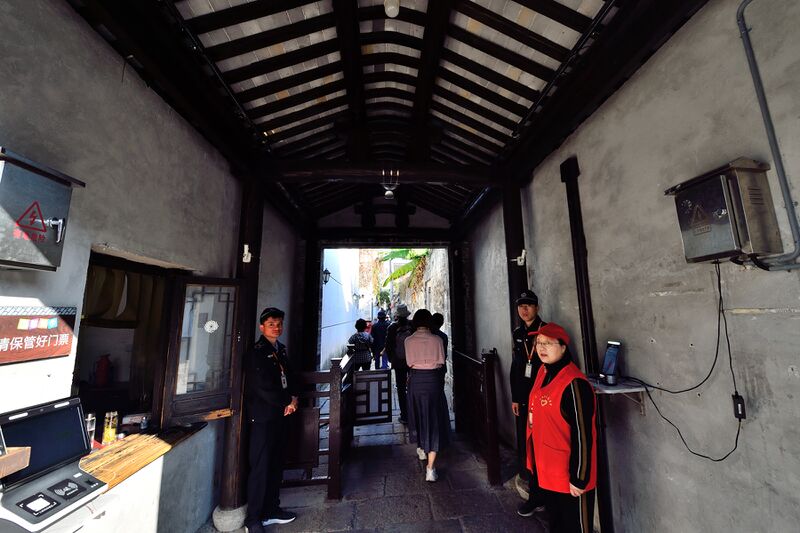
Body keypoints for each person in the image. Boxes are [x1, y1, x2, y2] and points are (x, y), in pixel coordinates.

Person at [525, 323, 597, 533]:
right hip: (548, 470)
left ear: (564, 347)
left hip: (569, 476)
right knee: (556, 525)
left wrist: (579, 478)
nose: (541, 347)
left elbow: (583, 434)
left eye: (548, 343)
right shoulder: (543, 370)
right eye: (539, 342)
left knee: (575, 527)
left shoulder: (574, 384)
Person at [243, 307, 298, 533]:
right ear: (262, 327)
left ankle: (271, 509)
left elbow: (290, 376)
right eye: (271, 324)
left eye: (279, 324)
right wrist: (287, 401)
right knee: (260, 467)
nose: (276, 328)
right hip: (263, 417)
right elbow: (262, 386)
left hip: (280, 415)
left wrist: (294, 398)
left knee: (276, 463)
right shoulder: (257, 353)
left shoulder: (280, 349)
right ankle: (253, 519)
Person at [510, 289, 547, 517]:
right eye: (520, 306)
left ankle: (540, 496)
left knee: (542, 447)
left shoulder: (547, 331)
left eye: (528, 305)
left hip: (542, 399)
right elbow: (516, 366)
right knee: (528, 447)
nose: (524, 310)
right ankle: (536, 495)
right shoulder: (518, 333)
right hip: (524, 400)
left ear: (537, 308)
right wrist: (515, 397)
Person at [404, 309, 449, 482]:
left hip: (416, 380)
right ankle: (430, 469)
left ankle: (422, 447)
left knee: (419, 415)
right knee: (434, 419)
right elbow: (441, 361)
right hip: (433, 380)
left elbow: (408, 362)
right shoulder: (438, 339)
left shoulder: (408, 341)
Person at [385, 303, 414, 423]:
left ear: (397, 315)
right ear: (406, 315)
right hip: (413, 362)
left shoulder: (392, 328)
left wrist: (392, 360)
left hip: (399, 363)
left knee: (401, 388)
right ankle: (414, 412)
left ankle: (404, 415)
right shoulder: (412, 326)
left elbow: (388, 346)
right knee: (413, 387)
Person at [431, 312, 449, 381]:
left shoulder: (429, 335)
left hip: (429, 367)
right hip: (440, 367)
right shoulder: (444, 336)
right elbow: (444, 353)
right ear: (442, 323)